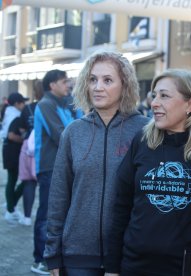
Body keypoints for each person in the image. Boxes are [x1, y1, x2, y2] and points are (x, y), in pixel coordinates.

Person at [44, 51, 149, 276]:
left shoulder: (145, 130)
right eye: (92, 79)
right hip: (78, 255)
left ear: (125, 85)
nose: (97, 87)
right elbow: (59, 195)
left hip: (127, 254)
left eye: (107, 80)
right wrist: (52, 251)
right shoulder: (74, 132)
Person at [105, 69, 191, 275]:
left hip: (185, 268)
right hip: (135, 265)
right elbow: (120, 207)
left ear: (190, 104)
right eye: (154, 95)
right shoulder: (142, 142)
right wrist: (112, 268)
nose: (154, 102)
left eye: (164, 95)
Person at [31, 69, 80, 275]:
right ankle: (40, 259)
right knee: (47, 215)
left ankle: (57, 257)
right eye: (64, 81)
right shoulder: (45, 104)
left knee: (63, 214)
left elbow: (82, 126)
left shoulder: (66, 103)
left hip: (68, 165)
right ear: (52, 85)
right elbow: (61, 136)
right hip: (50, 167)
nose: (68, 84)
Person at [17, 80, 44, 226]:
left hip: (29, 148)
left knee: (29, 183)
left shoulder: (28, 109)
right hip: (46, 147)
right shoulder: (54, 107)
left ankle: (27, 218)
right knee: (48, 185)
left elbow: (22, 130)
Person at [2, 92, 29, 222]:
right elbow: (11, 135)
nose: (24, 104)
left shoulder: (9, 113)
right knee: (21, 180)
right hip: (13, 151)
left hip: (8, 150)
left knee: (13, 180)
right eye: (22, 102)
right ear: (17, 104)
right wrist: (25, 141)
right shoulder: (16, 116)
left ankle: (10, 204)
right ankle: (10, 208)